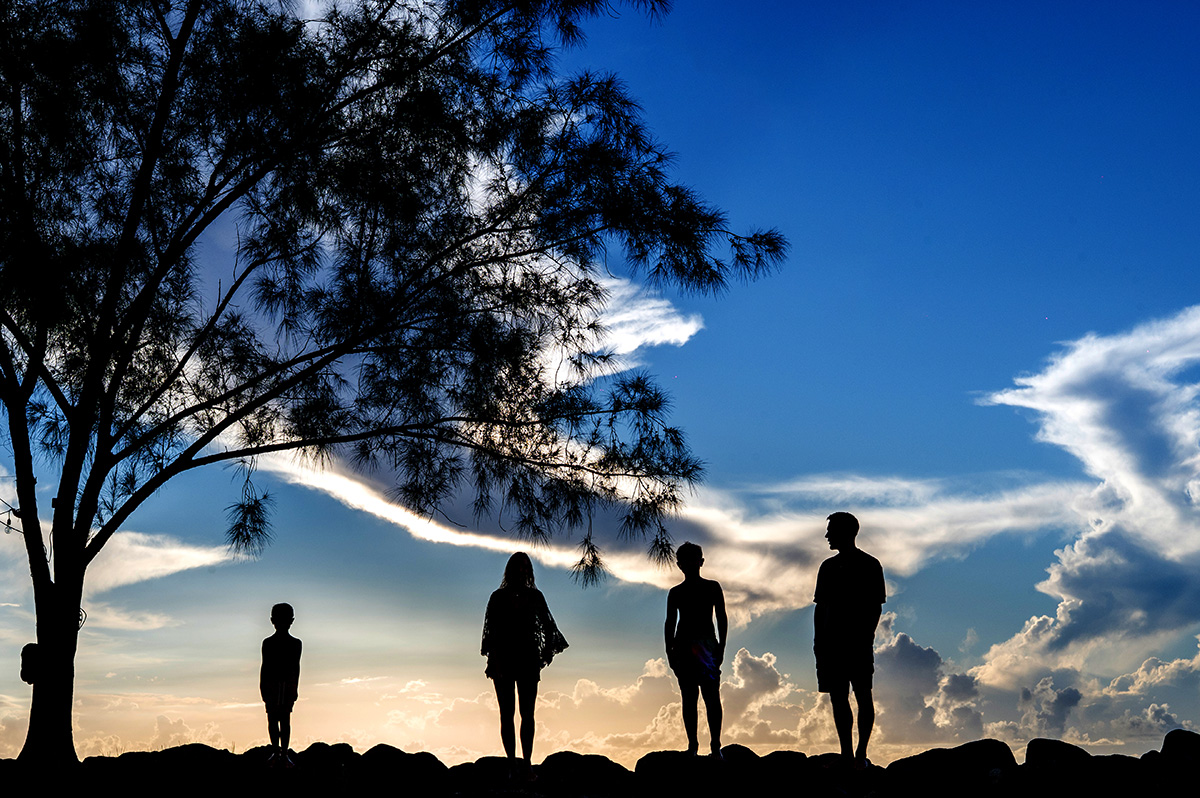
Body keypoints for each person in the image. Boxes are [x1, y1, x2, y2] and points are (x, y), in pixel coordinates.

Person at [481, 552, 568, 778]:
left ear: (528, 571)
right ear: (509, 570)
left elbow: (550, 630)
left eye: (524, 567)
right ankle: (512, 764)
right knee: (506, 713)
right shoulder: (497, 598)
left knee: (527, 713)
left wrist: (545, 653)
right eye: (516, 567)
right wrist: (494, 660)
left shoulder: (536, 597)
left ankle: (527, 763)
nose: (520, 571)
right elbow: (490, 634)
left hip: (528, 659)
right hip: (503, 659)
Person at [813, 512, 885, 768]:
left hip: (857, 643)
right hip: (831, 644)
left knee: (863, 695)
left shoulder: (870, 564)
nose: (827, 535)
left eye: (831, 530)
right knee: (838, 696)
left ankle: (860, 753)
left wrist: (866, 636)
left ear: (847, 532)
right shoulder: (828, 567)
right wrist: (818, 641)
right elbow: (820, 608)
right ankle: (846, 753)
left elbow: (876, 607)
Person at [665, 541, 727, 757]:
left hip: (707, 645)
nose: (690, 564)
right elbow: (669, 623)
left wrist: (721, 647)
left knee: (711, 697)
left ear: (701, 562)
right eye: (685, 561)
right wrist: (669, 651)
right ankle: (693, 746)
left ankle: (715, 746)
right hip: (683, 646)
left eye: (693, 560)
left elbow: (722, 618)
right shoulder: (676, 593)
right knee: (689, 697)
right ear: (679, 565)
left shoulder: (712, 587)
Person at [260, 602, 302, 768]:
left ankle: (283, 753)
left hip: (286, 685)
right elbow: (265, 666)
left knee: (284, 719)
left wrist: (294, 688)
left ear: (291, 620)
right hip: (271, 685)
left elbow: (296, 667)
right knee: (272, 718)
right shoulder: (268, 643)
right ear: (272, 620)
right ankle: (276, 752)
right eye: (278, 619)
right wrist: (263, 686)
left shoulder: (296, 643)